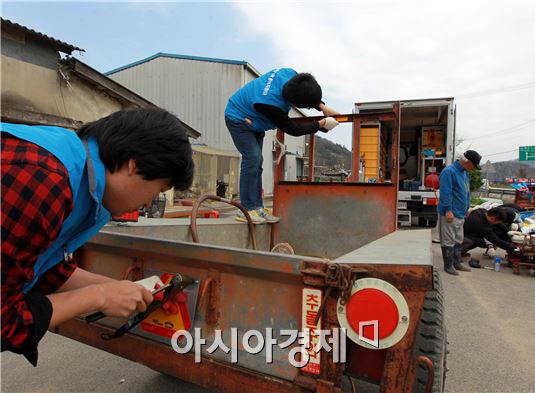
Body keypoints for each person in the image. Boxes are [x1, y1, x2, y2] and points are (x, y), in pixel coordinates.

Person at [1, 108, 194, 365]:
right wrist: (99, 297)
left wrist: (127, 291)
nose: (149, 202)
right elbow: (4, 321)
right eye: (158, 190)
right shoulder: (44, 179)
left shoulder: (84, 183)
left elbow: (44, 267)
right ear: (133, 164)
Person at [225, 68, 340, 224]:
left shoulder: (290, 74)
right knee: (253, 157)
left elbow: (306, 89)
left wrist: (322, 106)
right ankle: (247, 209)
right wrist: (321, 124)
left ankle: (257, 208)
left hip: (254, 121)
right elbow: (294, 129)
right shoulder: (271, 105)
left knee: (257, 163)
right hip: (238, 118)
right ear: (293, 103)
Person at [437, 150, 481, 275]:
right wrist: (447, 210)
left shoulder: (464, 173)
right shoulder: (449, 172)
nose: (473, 168)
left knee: (458, 239)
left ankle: (457, 262)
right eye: (473, 165)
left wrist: (467, 208)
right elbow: (446, 193)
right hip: (451, 212)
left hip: (460, 212)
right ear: (467, 162)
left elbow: (466, 192)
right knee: (448, 240)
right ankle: (448, 265)